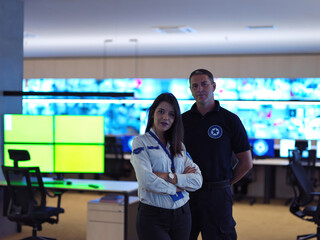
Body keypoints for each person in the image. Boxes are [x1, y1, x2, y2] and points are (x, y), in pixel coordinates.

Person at [182, 69, 253, 240]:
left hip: (217, 194)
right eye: (195, 86)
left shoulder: (230, 120)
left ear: (213, 86)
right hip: (187, 193)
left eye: (204, 84)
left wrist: (226, 183)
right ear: (191, 90)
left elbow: (246, 162)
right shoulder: (181, 121)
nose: (200, 89)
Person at [130, 92, 203, 240]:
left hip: (183, 214)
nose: (165, 118)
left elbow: (197, 180)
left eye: (171, 114)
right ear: (152, 114)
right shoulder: (140, 142)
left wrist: (168, 177)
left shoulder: (179, 145)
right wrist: (177, 187)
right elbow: (146, 180)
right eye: (161, 112)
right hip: (153, 216)